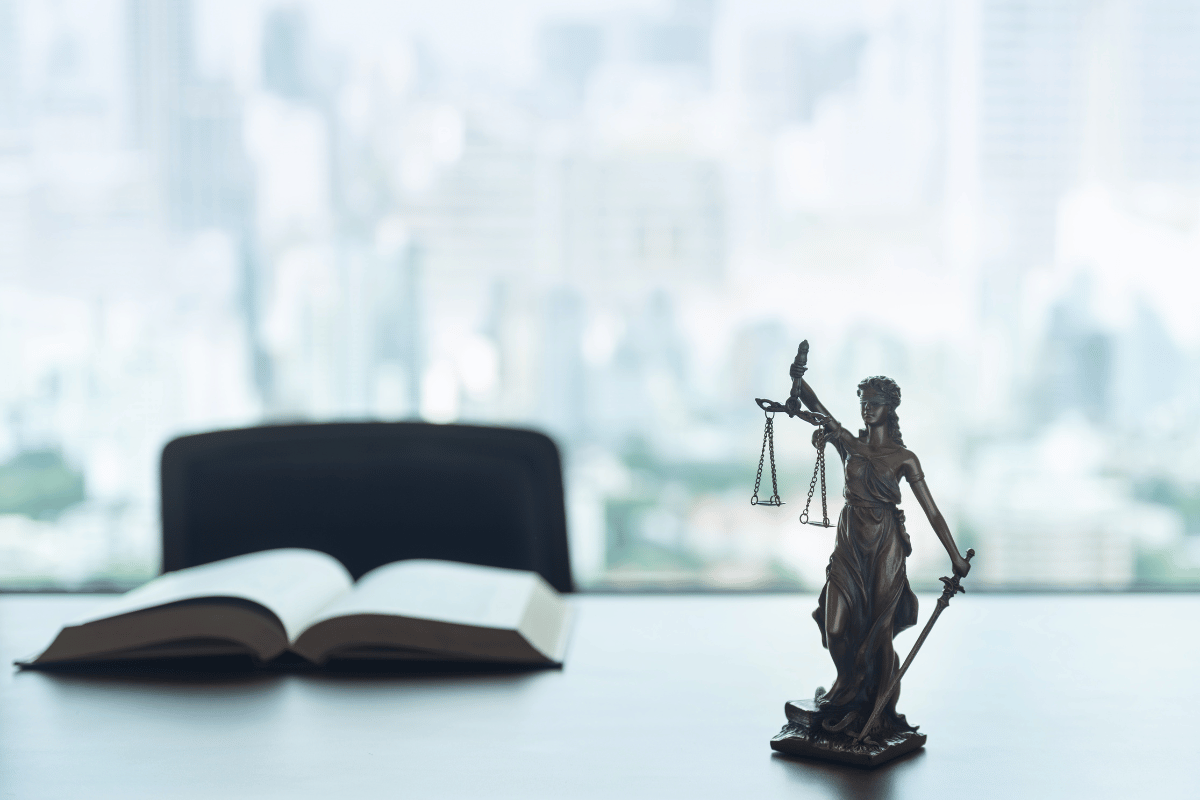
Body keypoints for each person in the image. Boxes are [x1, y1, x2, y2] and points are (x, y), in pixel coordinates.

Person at [785, 372, 971, 735]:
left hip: (885, 546)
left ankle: (876, 709)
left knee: (878, 631)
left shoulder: (905, 458)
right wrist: (797, 379)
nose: (867, 409)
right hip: (850, 543)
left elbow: (932, 511)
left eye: (874, 403)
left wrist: (955, 557)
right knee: (836, 626)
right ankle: (848, 687)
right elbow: (818, 408)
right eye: (863, 403)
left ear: (890, 408)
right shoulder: (849, 444)